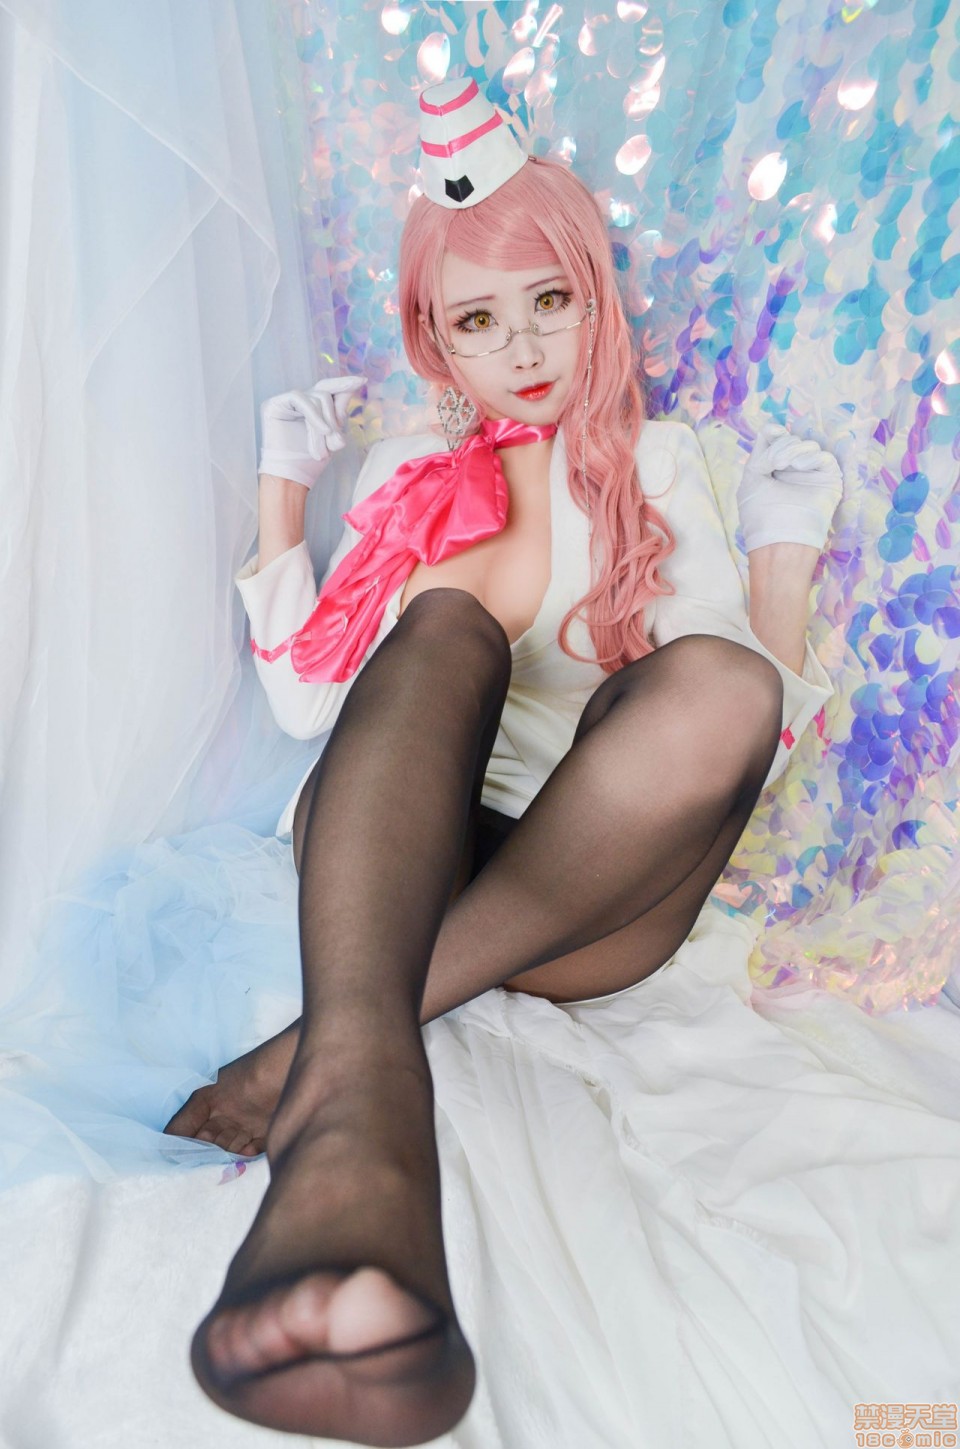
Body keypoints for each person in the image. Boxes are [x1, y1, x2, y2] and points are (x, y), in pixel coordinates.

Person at [165, 79, 842, 1447]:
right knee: (446, 627)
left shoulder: (664, 464)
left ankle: (315, 1053)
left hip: (587, 904)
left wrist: (780, 572)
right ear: (435, 338)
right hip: (389, 853)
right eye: (478, 320)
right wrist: (286, 494)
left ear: (598, 301)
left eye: (551, 301)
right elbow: (307, 703)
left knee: (723, 684)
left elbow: (734, 752)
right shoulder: (410, 470)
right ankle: (355, 1170)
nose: (523, 348)